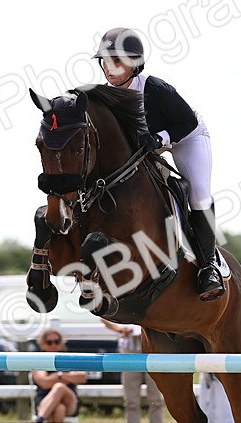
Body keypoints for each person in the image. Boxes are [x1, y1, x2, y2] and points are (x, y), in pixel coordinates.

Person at [93, 27, 224, 301]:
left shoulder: (156, 88)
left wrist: (160, 138)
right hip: (148, 146)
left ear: (135, 63)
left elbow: (187, 122)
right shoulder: (107, 96)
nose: (109, 68)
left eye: (117, 61)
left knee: (199, 197)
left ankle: (209, 266)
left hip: (186, 138)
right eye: (105, 61)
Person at [103, 319, 165, 423]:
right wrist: (119, 329)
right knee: (131, 397)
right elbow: (104, 317)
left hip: (152, 345)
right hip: (130, 347)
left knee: (156, 396)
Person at [30, 328, 88, 423]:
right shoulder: (39, 361)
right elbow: (44, 383)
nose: (53, 345)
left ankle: (39, 420)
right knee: (59, 408)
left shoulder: (68, 359)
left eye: (57, 342)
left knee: (59, 387)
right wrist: (69, 377)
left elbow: (82, 377)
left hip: (70, 402)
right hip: (45, 402)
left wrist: (59, 376)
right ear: (43, 344)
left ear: (61, 343)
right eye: (49, 342)